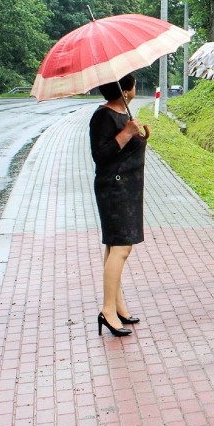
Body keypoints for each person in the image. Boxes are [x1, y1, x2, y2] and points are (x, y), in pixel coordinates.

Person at [89, 73, 148, 337]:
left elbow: (126, 150)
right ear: (126, 91)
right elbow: (100, 155)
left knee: (115, 246)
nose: (135, 89)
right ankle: (107, 311)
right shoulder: (103, 116)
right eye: (133, 85)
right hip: (115, 190)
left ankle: (118, 306)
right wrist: (127, 133)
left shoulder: (123, 113)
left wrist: (140, 135)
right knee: (122, 248)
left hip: (127, 189)